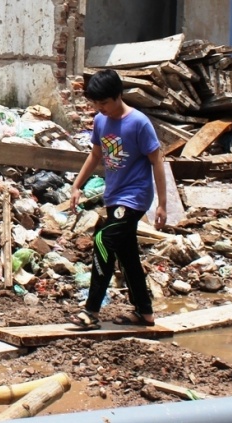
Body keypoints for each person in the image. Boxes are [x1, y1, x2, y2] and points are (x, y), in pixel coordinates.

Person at [66, 69, 167, 330]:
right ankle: (144, 312)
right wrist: (77, 185)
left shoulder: (139, 123)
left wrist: (163, 204)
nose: (101, 109)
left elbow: (157, 161)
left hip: (135, 198)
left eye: (105, 103)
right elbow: (96, 155)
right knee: (127, 253)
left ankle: (91, 312)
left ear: (118, 95)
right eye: (96, 104)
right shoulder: (101, 121)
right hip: (114, 197)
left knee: (102, 239)